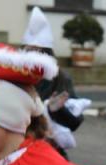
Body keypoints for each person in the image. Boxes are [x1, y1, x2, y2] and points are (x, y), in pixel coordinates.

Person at [21, 6, 89, 155]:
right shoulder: (15, 77)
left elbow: (74, 122)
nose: (33, 55)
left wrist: (57, 110)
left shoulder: (60, 78)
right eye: (28, 50)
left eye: (38, 51)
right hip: (17, 151)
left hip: (50, 152)